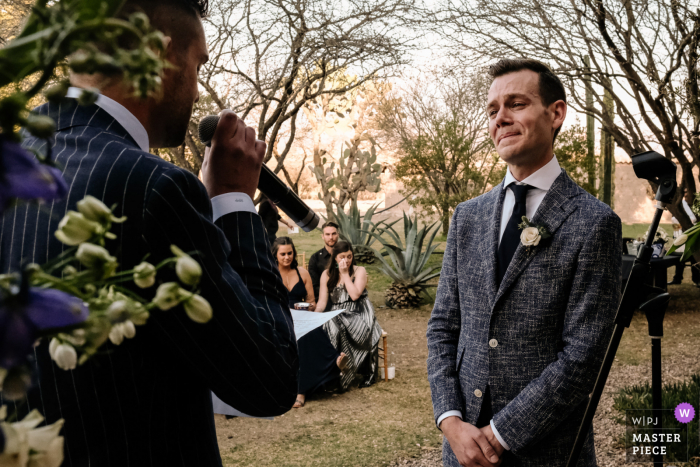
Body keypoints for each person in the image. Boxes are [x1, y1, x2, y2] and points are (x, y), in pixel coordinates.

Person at [0, 1, 298, 465]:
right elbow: (270, 378)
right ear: (157, 56)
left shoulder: (14, 158)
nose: (198, 90)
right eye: (198, 63)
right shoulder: (153, 188)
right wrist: (234, 201)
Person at [427, 58, 622, 467]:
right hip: (460, 449)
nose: (501, 118)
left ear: (556, 113)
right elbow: (444, 324)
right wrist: (450, 420)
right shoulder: (468, 216)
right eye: (492, 110)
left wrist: (499, 434)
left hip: (546, 450)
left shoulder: (595, 222)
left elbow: (584, 356)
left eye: (515, 104)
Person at [271, 237, 348, 408]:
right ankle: (331, 362)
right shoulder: (270, 273)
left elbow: (312, 302)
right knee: (301, 335)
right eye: (282, 254)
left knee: (310, 329)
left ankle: (306, 386)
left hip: (301, 314)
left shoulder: (302, 273)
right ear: (275, 255)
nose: (287, 257)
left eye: (290, 253)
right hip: (279, 315)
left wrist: (308, 307)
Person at [315, 241, 383, 390]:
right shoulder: (326, 275)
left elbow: (354, 295)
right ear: (334, 258)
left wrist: (345, 274)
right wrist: (314, 317)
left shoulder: (359, 271)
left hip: (359, 314)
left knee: (333, 321)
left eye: (349, 256)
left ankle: (337, 374)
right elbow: (321, 302)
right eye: (342, 257)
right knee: (329, 323)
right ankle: (335, 370)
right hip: (338, 315)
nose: (346, 260)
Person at [668, 193, 699, 286]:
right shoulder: (677, 206)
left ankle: (696, 279)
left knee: (694, 257)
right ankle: (677, 278)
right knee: (680, 258)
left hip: (690, 236)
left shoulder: (688, 205)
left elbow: (693, 219)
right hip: (680, 236)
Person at [308, 221, 340, 300]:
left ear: (338, 235)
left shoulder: (345, 256)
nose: (331, 237)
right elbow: (314, 285)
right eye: (327, 234)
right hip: (323, 298)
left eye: (333, 234)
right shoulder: (315, 258)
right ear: (322, 236)